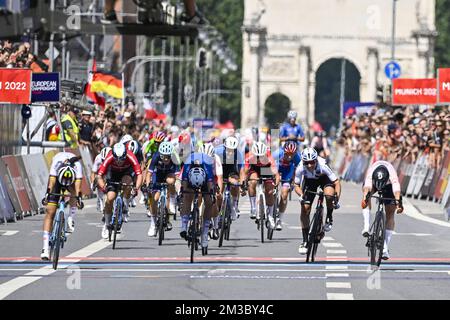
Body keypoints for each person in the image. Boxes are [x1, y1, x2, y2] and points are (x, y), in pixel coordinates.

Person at [294, 147, 341, 255]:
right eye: (307, 163)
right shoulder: (300, 167)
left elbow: (337, 182)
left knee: (329, 195)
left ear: (316, 160)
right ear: (303, 162)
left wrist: (336, 198)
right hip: (310, 182)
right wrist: (301, 195)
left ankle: (329, 217)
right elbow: (296, 185)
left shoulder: (323, 165)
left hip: (324, 179)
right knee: (305, 208)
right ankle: (305, 241)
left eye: (312, 162)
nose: (310, 165)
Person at [41, 153, 84, 260]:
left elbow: (78, 186)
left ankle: (70, 219)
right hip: (57, 178)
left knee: (74, 193)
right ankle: (45, 248)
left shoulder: (77, 166)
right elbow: (51, 182)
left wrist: (78, 198)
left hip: (71, 179)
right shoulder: (56, 163)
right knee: (50, 212)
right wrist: (47, 194)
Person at [97, 143, 143, 239]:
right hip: (113, 174)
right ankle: (106, 224)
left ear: (125, 155)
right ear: (113, 155)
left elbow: (139, 174)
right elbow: (99, 176)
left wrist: (136, 188)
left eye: (122, 159)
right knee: (110, 199)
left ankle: (125, 205)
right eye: (116, 159)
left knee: (127, 183)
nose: (119, 162)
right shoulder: (109, 157)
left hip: (126, 173)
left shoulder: (130, 155)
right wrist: (103, 186)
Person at [361, 162, 404, 260]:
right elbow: (367, 188)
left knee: (390, 213)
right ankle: (366, 226)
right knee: (366, 197)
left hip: (388, 185)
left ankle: (385, 247)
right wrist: (364, 199)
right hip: (373, 182)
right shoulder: (371, 171)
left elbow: (396, 190)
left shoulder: (392, 173)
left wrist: (398, 204)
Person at [180, 150, 216, 251]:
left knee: (209, 201)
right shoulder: (188, 164)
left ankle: (205, 233)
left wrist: (211, 193)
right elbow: (184, 182)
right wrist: (183, 192)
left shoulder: (207, 165)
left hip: (205, 180)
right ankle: (184, 225)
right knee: (186, 196)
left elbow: (210, 183)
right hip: (190, 179)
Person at [145, 142, 180, 237]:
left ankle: (172, 202)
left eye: (168, 157)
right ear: (160, 154)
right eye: (163, 157)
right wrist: (148, 185)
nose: (165, 159)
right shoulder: (155, 157)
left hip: (169, 174)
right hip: (158, 175)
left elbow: (177, 177)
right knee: (154, 199)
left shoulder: (174, 158)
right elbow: (149, 174)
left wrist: (178, 190)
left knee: (171, 181)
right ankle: (152, 224)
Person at [244, 141, 280, 229]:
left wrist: (275, 183)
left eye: (261, 156)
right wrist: (244, 183)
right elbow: (245, 171)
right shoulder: (249, 156)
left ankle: (270, 216)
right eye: (257, 156)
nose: (259, 158)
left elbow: (275, 172)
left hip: (266, 169)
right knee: (252, 182)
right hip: (255, 169)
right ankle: (253, 208)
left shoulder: (269, 156)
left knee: (269, 191)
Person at [215, 136, 246, 221]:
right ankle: (217, 211)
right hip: (219, 168)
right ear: (224, 147)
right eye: (228, 150)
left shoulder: (238, 154)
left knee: (235, 181)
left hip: (230, 169)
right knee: (219, 193)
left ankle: (234, 206)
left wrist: (242, 185)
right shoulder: (217, 151)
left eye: (233, 150)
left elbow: (241, 171)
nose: (230, 153)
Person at [272, 141, 301, 230]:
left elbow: (298, 171)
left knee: (284, 195)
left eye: (291, 154)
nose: (289, 156)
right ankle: (269, 208)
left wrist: (293, 182)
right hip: (275, 168)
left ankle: (279, 220)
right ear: (283, 151)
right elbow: (269, 166)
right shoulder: (277, 154)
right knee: (270, 189)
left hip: (287, 172)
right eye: (287, 153)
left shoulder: (297, 157)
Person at [199, 142, 223, 240]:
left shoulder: (216, 159)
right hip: (199, 178)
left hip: (213, 179)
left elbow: (219, 178)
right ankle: (195, 215)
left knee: (215, 200)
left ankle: (216, 225)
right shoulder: (195, 159)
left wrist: (219, 192)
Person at [90, 147, 112, 214]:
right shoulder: (98, 158)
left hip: (109, 170)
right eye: (103, 159)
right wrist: (92, 183)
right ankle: (100, 199)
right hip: (100, 171)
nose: (104, 161)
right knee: (98, 179)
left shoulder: (113, 157)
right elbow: (93, 172)